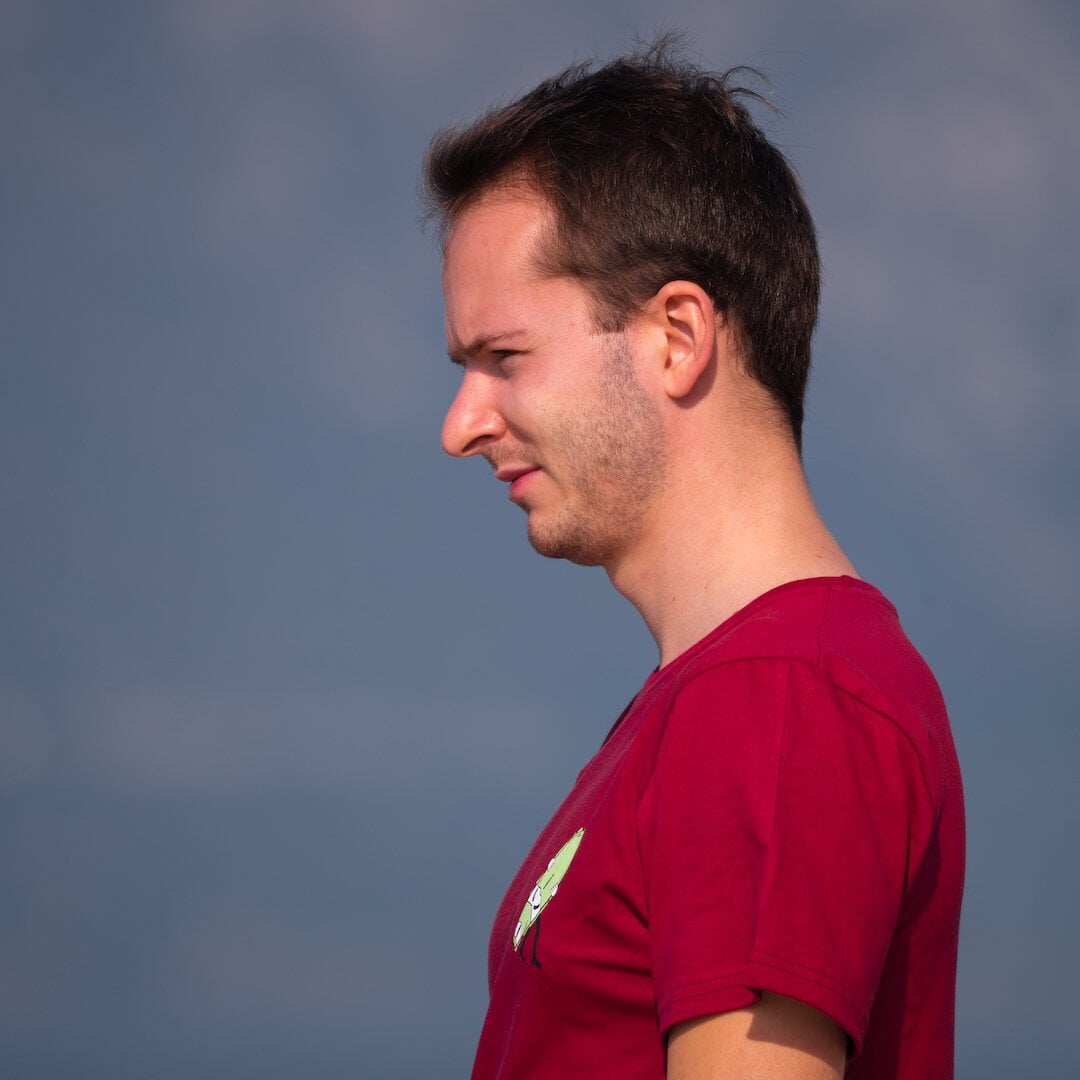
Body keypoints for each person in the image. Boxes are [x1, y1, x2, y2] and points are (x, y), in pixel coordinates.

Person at [422, 38, 964, 1080]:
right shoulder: (739, 691)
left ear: (677, 336)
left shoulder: (779, 698)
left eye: (505, 358)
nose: (460, 425)